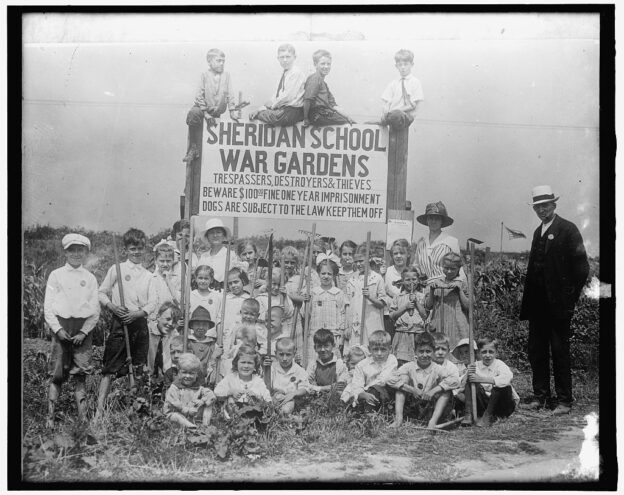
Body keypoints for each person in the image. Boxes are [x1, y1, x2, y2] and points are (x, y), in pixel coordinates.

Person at [520, 185, 589, 415]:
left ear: (554, 205)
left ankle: (564, 401)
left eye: (545, 206)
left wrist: (569, 299)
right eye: (537, 207)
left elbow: (581, 268)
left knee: (560, 352)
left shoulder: (568, 229)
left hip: (559, 306)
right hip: (538, 306)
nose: (541, 210)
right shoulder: (537, 232)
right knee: (536, 351)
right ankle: (540, 396)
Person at [96, 228, 156, 418]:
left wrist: (138, 313)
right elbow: (101, 292)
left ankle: (134, 408)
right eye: (132, 248)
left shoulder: (149, 275)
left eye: (139, 248)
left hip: (139, 324)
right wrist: (112, 307)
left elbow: (153, 302)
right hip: (120, 323)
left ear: (144, 248)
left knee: (137, 368)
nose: (136, 252)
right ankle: (99, 412)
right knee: (109, 368)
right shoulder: (117, 269)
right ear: (125, 250)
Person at [43, 233, 100, 427]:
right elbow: (48, 307)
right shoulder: (56, 275)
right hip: (61, 328)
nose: (76, 254)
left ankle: (83, 420)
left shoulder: (90, 278)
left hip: (82, 331)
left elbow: (95, 310)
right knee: (57, 374)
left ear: (86, 253)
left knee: (80, 374)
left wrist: (84, 332)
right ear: (65, 252)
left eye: (80, 250)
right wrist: (58, 330)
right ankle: (50, 418)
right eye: (72, 250)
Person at [387, 332, 457, 428]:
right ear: (415, 351)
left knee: (447, 391)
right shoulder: (409, 366)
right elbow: (390, 379)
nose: (424, 355)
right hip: (414, 406)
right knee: (401, 384)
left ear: (433, 351)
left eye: (428, 351)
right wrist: (412, 390)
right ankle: (398, 419)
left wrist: (433, 391)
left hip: (430, 407)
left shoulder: (437, 368)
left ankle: (433, 422)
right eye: (421, 351)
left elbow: (455, 380)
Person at [184, 49, 240, 163]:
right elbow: (199, 95)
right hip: (202, 109)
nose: (222, 63)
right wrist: (205, 113)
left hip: (216, 112)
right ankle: (193, 148)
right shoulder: (204, 75)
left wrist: (232, 111)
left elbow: (230, 93)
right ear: (209, 62)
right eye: (218, 61)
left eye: (223, 61)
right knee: (193, 113)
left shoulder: (226, 75)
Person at [344, 244, 391, 354]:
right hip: (355, 324)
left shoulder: (377, 278)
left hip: (371, 322)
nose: (358, 264)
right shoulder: (352, 279)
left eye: (361, 261)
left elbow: (382, 304)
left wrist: (370, 297)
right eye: (356, 261)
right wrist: (347, 326)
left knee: (371, 351)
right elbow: (347, 305)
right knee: (356, 353)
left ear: (369, 259)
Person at [464, 337, 520, 427]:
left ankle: (488, 416)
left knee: (502, 385)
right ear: (479, 353)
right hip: (484, 404)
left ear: (496, 353)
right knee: (469, 382)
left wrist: (481, 379)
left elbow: (507, 378)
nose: (487, 355)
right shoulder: (475, 366)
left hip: (502, 405)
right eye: (484, 352)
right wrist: (468, 373)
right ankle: (468, 413)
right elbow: (461, 384)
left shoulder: (499, 364)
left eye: (491, 352)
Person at [249, 44, 306, 126]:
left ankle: (263, 114)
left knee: (264, 115)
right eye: (282, 57)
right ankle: (262, 113)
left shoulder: (296, 73)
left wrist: (270, 107)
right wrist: (261, 108)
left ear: (294, 57)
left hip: (293, 110)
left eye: (288, 57)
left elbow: (288, 96)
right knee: (260, 113)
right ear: (278, 59)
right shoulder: (284, 73)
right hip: (284, 109)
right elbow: (276, 95)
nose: (285, 60)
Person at [147, 242, 181, 374]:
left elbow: (178, 301)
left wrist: (168, 281)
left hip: (170, 323)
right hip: (154, 322)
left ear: (173, 261)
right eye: (162, 261)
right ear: (156, 260)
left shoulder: (176, 279)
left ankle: (168, 383)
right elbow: (150, 301)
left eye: (168, 261)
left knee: (168, 358)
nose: (165, 264)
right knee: (151, 357)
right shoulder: (151, 278)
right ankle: (148, 384)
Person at [425, 252, 469, 351]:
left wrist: (460, 290)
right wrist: (432, 291)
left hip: (457, 324)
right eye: (446, 268)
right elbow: (428, 306)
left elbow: (468, 307)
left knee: (457, 350)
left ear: (459, 269)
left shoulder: (463, 282)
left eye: (453, 269)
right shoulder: (436, 282)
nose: (449, 271)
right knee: (438, 349)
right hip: (438, 322)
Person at [343, 330, 397, 409]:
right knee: (351, 389)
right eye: (375, 349)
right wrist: (362, 393)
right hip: (366, 393)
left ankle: (369, 413)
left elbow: (383, 380)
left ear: (390, 349)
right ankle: (357, 408)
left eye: (383, 349)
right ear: (369, 349)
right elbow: (357, 383)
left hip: (386, 391)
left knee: (375, 390)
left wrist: (366, 391)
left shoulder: (391, 359)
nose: (379, 353)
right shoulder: (362, 365)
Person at [306, 259, 347, 363]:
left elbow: (342, 314)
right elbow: (307, 314)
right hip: (315, 332)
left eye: (329, 274)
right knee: (314, 362)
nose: (326, 276)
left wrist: (341, 336)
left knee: (332, 362)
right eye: (323, 273)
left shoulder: (338, 293)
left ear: (334, 276)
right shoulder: (313, 293)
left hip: (333, 333)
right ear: (319, 274)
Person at [302, 49, 355, 127]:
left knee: (348, 121)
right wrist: (305, 119)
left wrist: (347, 116)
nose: (326, 67)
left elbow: (333, 105)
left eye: (328, 64)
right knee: (345, 124)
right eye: (322, 64)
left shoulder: (324, 83)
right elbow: (307, 100)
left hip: (324, 113)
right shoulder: (315, 78)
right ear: (315, 64)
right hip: (317, 114)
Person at [389, 266, 429, 366]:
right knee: (402, 361)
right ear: (402, 281)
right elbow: (392, 316)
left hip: (418, 334)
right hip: (402, 333)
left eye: (414, 279)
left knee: (418, 361)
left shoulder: (422, 296)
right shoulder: (398, 297)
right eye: (407, 280)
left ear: (418, 280)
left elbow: (425, 316)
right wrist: (405, 307)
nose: (411, 282)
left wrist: (416, 302)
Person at [163, 353, 216, 428]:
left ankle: (205, 425)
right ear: (179, 373)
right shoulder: (175, 387)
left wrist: (202, 401)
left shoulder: (198, 387)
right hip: (177, 413)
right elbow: (174, 403)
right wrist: (186, 410)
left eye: (191, 373)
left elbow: (211, 395)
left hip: (192, 415)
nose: (187, 376)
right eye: (184, 372)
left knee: (208, 405)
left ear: (196, 374)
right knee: (176, 416)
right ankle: (189, 426)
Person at [413, 202, 462, 281]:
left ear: (442, 221)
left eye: (437, 218)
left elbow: (459, 268)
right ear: (427, 220)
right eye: (431, 218)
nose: (433, 221)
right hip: (425, 288)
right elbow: (416, 265)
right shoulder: (421, 242)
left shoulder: (451, 241)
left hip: (446, 288)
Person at [379, 49, 424, 129]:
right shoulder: (394, 83)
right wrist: (385, 110)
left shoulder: (415, 82)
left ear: (412, 64)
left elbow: (412, 105)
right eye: (400, 65)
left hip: (405, 116)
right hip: (392, 115)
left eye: (406, 64)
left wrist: (394, 111)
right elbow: (386, 100)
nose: (403, 67)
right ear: (396, 66)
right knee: (371, 124)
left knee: (397, 116)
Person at [267, 337, 311, 414]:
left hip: (291, 398)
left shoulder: (299, 370)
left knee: (287, 409)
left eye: (288, 355)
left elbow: (304, 388)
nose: (284, 358)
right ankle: (274, 412)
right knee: (267, 403)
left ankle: (283, 414)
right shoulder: (272, 368)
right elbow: (266, 386)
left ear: (294, 354)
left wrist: (293, 394)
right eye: (281, 354)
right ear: (275, 353)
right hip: (275, 397)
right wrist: (265, 369)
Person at [197, 218, 242, 288]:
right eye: (211, 233)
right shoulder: (203, 257)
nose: (215, 235)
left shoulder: (231, 255)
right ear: (207, 237)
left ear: (223, 235)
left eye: (218, 232)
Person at [383, 238, 412, 340]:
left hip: (408, 315)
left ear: (408, 254)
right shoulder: (387, 271)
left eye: (402, 253)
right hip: (389, 315)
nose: (398, 256)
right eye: (395, 253)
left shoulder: (411, 272)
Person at [306, 329, 350, 394]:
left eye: (326, 346)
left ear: (333, 345)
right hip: (316, 397)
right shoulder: (313, 364)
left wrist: (316, 387)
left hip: (334, 397)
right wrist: (324, 388)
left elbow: (340, 387)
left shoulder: (339, 363)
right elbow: (305, 384)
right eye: (319, 346)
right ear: (315, 348)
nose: (323, 350)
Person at [187, 306, 222, 385]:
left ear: (208, 327)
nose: (201, 327)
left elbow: (213, 363)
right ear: (192, 326)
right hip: (190, 378)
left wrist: (214, 356)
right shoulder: (188, 341)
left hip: (206, 378)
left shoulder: (211, 343)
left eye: (204, 325)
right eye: (197, 324)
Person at [149, 301, 181, 378]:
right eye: (168, 319)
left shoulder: (174, 335)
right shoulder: (147, 332)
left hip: (165, 377)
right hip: (146, 375)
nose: (170, 323)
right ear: (158, 316)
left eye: (174, 321)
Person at [450, 337, 476, 416]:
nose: (464, 355)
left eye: (466, 352)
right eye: (461, 353)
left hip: (474, 397)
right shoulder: (460, 368)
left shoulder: (476, 366)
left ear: (473, 352)